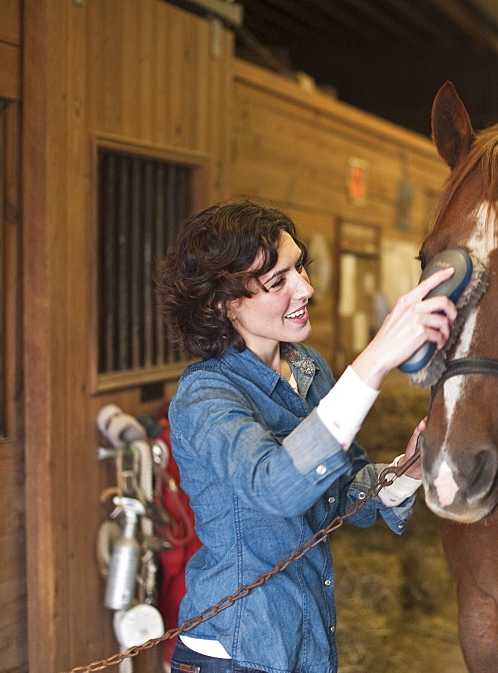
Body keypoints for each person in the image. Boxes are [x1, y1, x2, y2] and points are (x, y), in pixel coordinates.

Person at [155, 200, 456, 673]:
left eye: (299, 268)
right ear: (223, 304)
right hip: (237, 653)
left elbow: (340, 492)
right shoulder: (204, 396)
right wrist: (373, 361)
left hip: (307, 639)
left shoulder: (307, 367)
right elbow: (276, 487)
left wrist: (406, 472)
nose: (306, 288)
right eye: (278, 281)